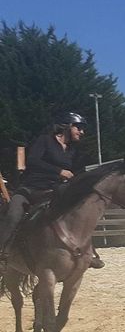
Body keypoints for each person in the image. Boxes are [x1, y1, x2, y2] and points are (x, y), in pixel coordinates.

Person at [0, 112, 103, 268]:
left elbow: (76, 171)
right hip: (29, 190)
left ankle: (88, 251)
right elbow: (33, 161)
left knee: (77, 211)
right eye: (79, 128)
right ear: (68, 126)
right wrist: (58, 171)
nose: (82, 132)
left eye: (82, 129)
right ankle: (3, 254)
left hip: (52, 191)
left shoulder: (73, 150)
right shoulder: (45, 140)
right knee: (13, 214)